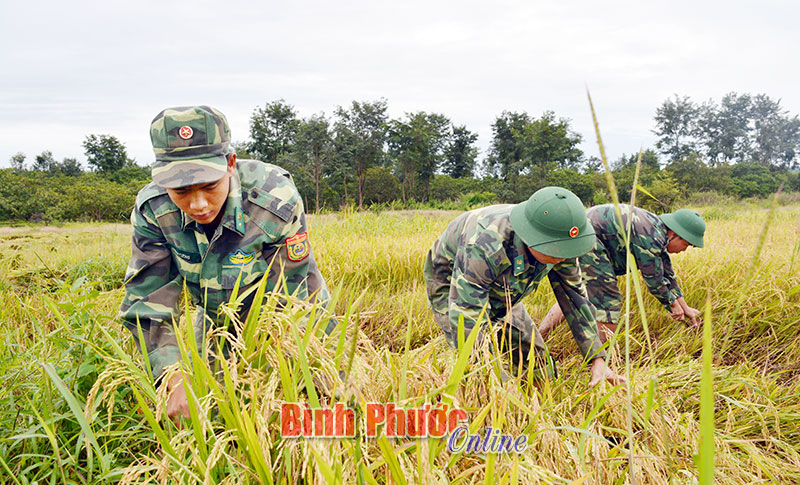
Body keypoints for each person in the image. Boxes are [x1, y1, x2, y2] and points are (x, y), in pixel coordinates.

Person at [119, 105, 330, 421]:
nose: (198, 204)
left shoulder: (273, 197)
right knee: (215, 414)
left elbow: (296, 294)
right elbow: (150, 301)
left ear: (230, 164)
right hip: (219, 323)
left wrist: (287, 368)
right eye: (181, 191)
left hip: (287, 316)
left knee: (314, 402)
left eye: (209, 185)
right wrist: (174, 375)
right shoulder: (153, 209)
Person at [423, 187, 625, 386]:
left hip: (504, 289)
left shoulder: (560, 242)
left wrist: (597, 359)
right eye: (554, 252)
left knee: (537, 362)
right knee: (477, 366)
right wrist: (495, 382)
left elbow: (575, 297)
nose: (562, 258)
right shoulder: (485, 244)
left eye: (566, 250)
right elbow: (467, 313)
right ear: (533, 239)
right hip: (454, 285)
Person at [538, 204, 705, 343]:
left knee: (577, 293)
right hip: (587, 241)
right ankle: (603, 362)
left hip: (583, 238)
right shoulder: (651, 237)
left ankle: (540, 336)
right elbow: (654, 281)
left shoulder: (657, 231)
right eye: (686, 244)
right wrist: (672, 305)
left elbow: (668, 275)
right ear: (674, 234)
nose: (684, 250)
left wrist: (685, 307)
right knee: (609, 303)